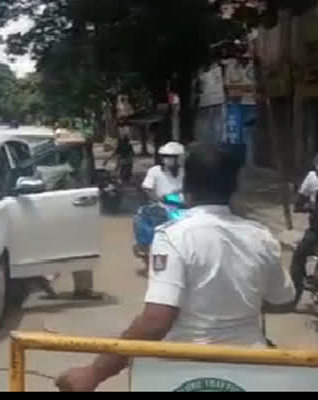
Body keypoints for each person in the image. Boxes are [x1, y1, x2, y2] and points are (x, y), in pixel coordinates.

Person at [56, 144, 295, 392]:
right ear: (234, 189)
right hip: (251, 367)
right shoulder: (261, 237)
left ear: (187, 189)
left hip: (182, 370)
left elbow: (156, 322)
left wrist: (94, 373)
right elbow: (284, 299)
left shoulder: (174, 237)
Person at [289, 155, 318, 309]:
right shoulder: (312, 178)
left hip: (314, 231)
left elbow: (298, 205)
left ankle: (294, 297)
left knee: (299, 257)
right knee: (299, 255)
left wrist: (310, 208)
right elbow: (298, 205)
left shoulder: (312, 178)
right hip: (314, 231)